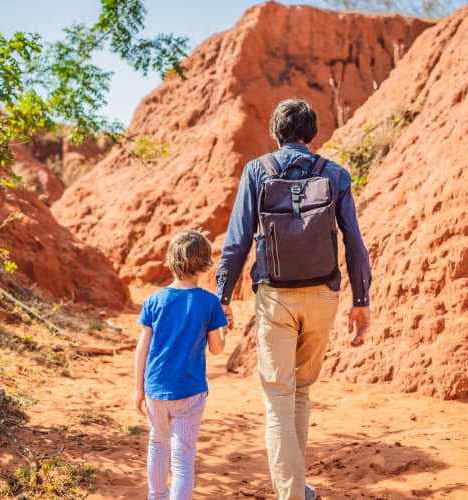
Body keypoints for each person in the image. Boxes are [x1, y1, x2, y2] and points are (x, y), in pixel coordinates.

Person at [216, 98, 372, 500]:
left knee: (278, 398)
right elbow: (353, 241)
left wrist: (223, 295)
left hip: (275, 296)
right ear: (312, 132)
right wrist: (361, 298)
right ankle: (297, 486)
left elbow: (236, 241)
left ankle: (290, 495)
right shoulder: (335, 174)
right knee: (301, 391)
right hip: (323, 294)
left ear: (276, 132)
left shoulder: (257, 171)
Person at [134, 229, 228, 500]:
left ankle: (156, 496)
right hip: (190, 391)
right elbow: (217, 349)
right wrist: (224, 328)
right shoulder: (209, 303)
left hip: (155, 388)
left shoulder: (154, 300)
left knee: (157, 443)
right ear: (204, 262)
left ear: (171, 260)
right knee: (183, 455)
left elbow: (142, 348)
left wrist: (138, 388)